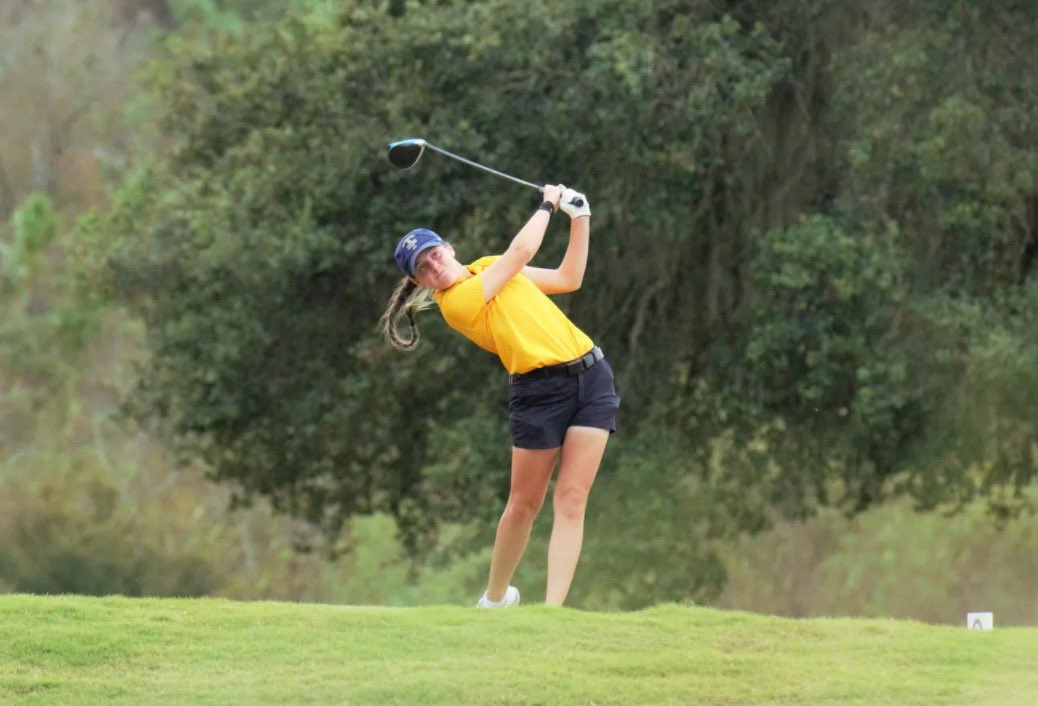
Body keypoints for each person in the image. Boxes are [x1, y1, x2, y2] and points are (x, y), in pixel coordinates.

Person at [379, 184, 619, 607]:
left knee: (573, 498)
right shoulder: (456, 302)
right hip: (537, 393)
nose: (433, 265)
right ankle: (493, 599)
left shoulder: (488, 266)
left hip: (592, 377)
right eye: (423, 267)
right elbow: (521, 253)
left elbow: (569, 279)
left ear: (448, 248)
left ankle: (552, 611)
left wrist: (580, 218)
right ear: (419, 281)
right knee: (524, 503)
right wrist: (548, 203)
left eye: (434, 253)